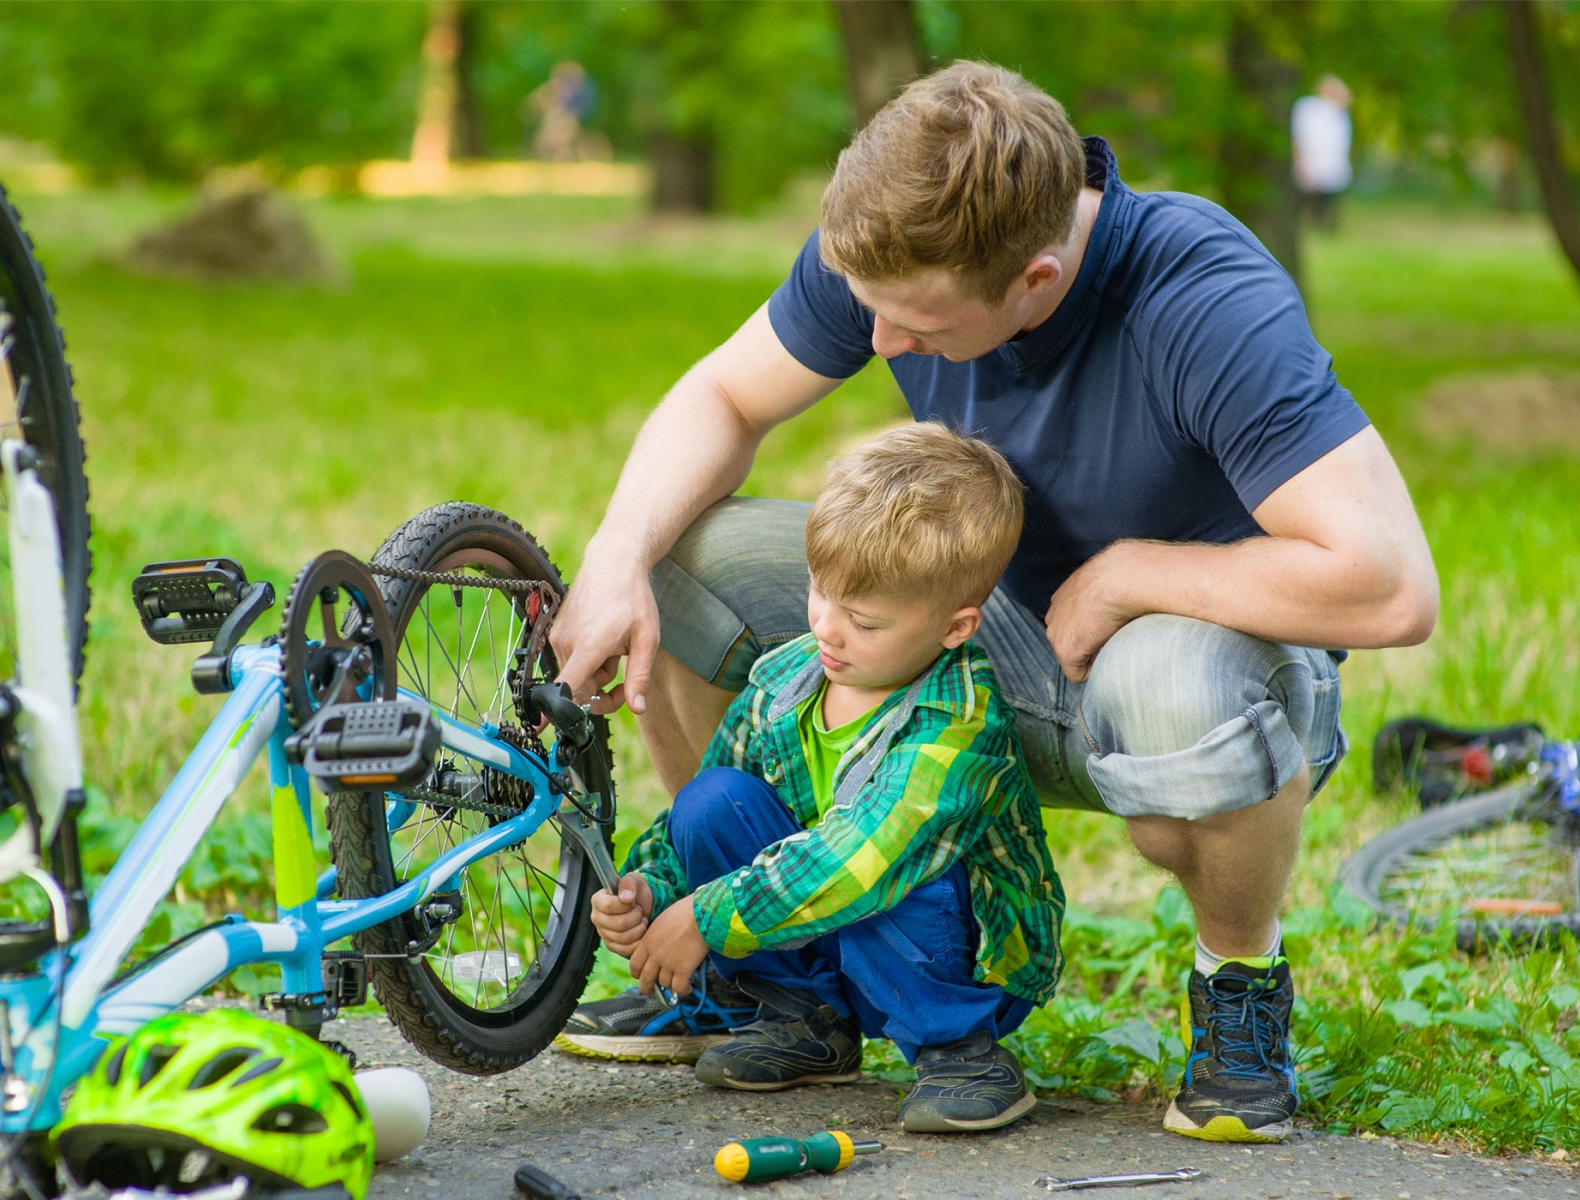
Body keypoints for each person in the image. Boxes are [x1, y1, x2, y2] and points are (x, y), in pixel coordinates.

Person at [551, 61, 1438, 1145]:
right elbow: (725, 394)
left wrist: (1122, 579)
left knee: (1167, 679)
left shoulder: (1201, 298)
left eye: (916, 327)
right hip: (979, 631)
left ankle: (1237, 988)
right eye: (871, 314)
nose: (879, 346)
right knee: (680, 554)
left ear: (1036, 276)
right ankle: (765, 977)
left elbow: (1392, 582)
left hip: (1197, 677)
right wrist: (614, 556)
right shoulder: (898, 245)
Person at [567, 423, 1064, 1134]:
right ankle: (805, 1018)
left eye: (862, 621)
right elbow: (708, 795)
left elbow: (859, 860)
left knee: (888, 869)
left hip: (957, 953)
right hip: (827, 923)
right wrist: (656, 889)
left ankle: (960, 1050)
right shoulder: (786, 680)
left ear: (955, 629)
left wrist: (707, 917)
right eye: (820, 595)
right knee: (711, 803)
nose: (827, 630)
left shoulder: (961, 724)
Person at [1293, 75, 1354, 229]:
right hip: (1314, 166)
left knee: (1326, 205)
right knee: (1309, 204)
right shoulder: (1310, 110)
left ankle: (1323, 227)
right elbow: (1302, 139)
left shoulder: (1341, 116)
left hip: (1330, 170)